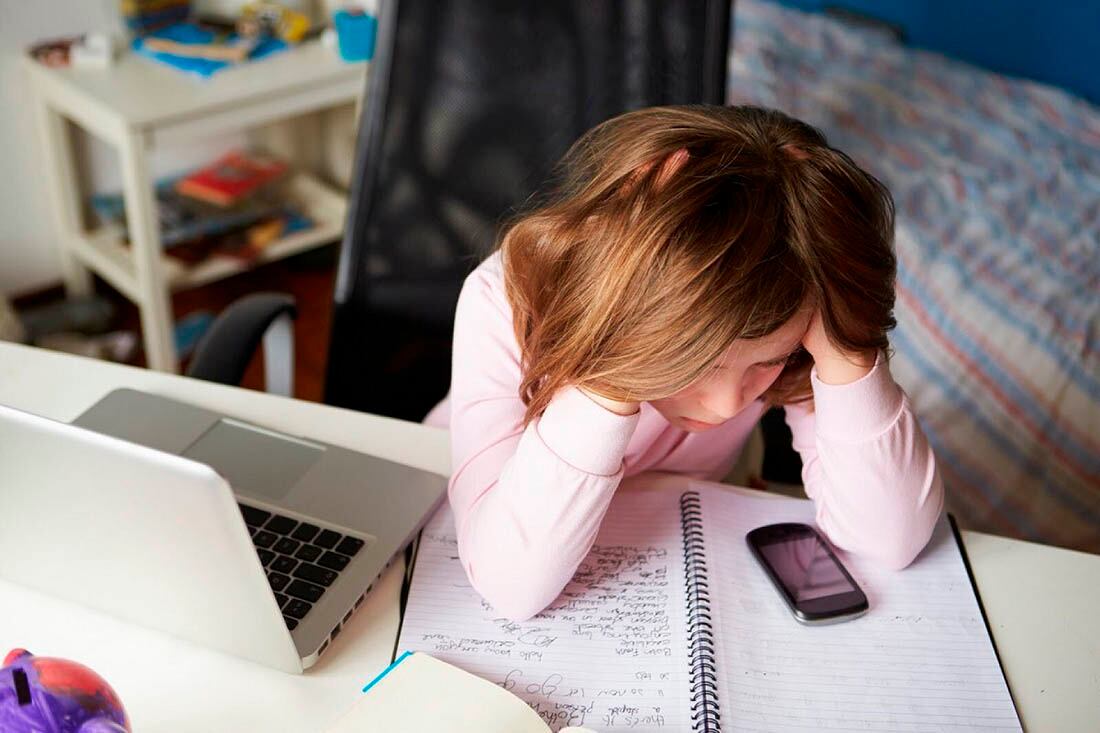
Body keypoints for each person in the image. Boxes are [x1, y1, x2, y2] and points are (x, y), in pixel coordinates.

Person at [424, 105, 944, 621]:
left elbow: (889, 542)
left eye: (768, 361)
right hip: (459, 504)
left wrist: (845, 346)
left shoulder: (792, 305)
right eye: (698, 365)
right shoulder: (502, 299)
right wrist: (620, 335)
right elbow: (511, 587)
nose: (727, 406)